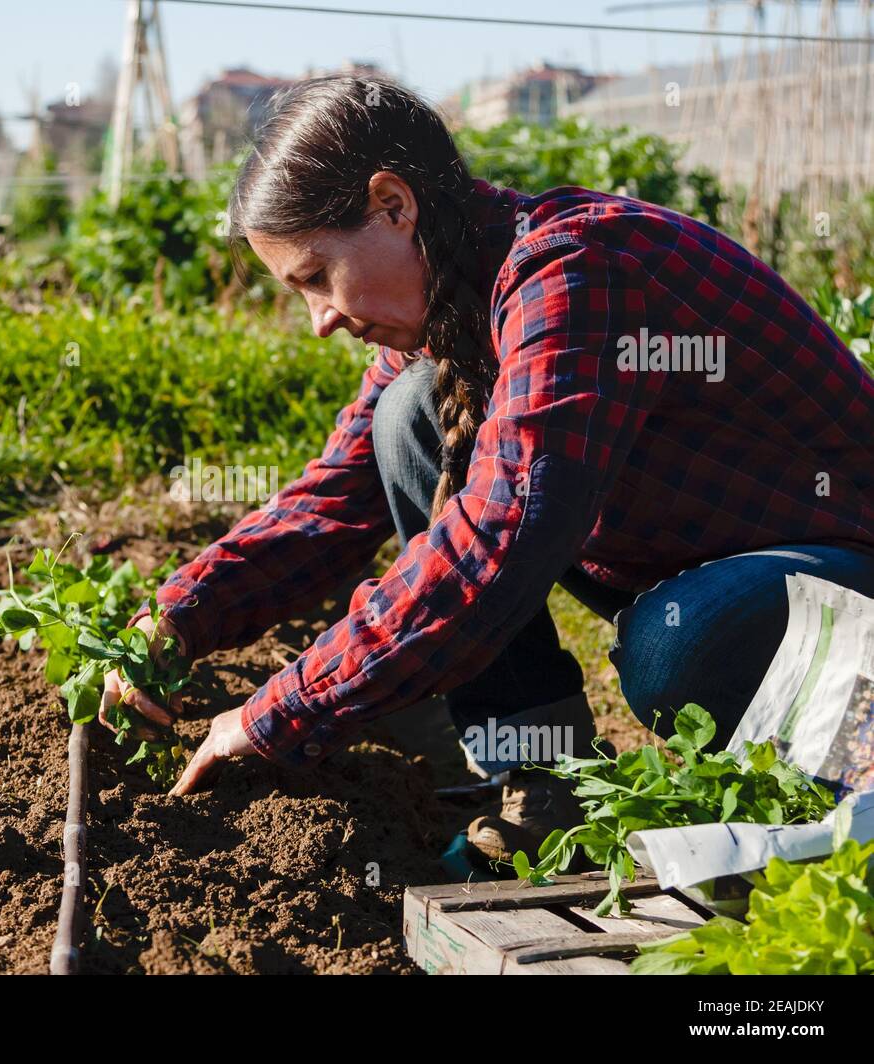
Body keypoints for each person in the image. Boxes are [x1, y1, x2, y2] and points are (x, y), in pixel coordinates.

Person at [99, 75, 874, 864]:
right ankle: (543, 790)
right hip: (733, 576)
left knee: (679, 644)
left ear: (393, 205)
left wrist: (280, 713)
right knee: (409, 416)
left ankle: (847, 772)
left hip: (842, 582)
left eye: (315, 277)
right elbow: (330, 504)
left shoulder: (573, 271)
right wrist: (180, 616)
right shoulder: (450, 313)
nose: (320, 320)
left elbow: (498, 540)